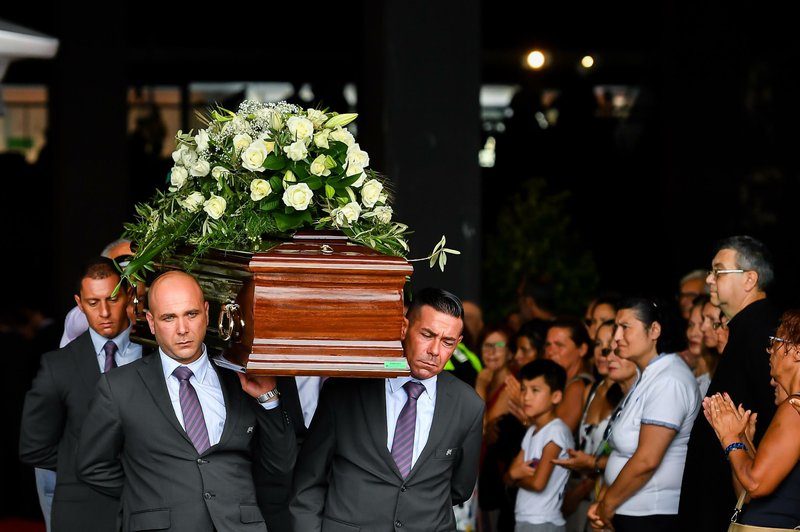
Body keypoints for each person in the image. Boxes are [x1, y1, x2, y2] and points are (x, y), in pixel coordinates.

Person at [77, 271, 297, 532]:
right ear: (151, 321)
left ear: (206, 312)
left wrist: (268, 399)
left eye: (190, 314)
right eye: (169, 317)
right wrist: (146, 494)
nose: (182, 329)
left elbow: (280, 466)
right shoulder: (118, 387)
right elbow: (92, 466)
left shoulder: (239, 380)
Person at [290, 287, 484, 531]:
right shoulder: (344, 392)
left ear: (458, 343)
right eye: (427, 334)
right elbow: (308, 482)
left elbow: (460, 488)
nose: (435, 351)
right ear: (404, 328)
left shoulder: (468, 405)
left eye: (447, 342)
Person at [19, 257, 143, 532]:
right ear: (79, 303)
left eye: (112, 299)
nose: (104, 312)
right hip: (81, 511)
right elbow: (33, 447)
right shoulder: (58, 366)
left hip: (148, 507)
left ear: (129, 295)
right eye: (93, 302)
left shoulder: (157, 355)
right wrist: (91, 464)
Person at [678, 235, 782, 530]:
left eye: (718, 271)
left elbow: (776, 416)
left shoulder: (765, 334)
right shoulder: (743, 330)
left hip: (738, 503)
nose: (710, 280)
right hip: (720, 498)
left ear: (750, 279)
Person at [588, 297, 700, 531]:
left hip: (653, 516)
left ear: (654, 330)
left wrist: (607, 505)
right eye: (616, 327)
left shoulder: (669, 380)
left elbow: (647, 460)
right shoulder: (648, 376)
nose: (617, 337)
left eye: (625, 327)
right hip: (633, 512)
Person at [703, 309, 800, 528]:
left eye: (775, 341)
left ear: (797, 352)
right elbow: (748, 495)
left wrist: (730, 438)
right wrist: (742, 441)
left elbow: (756, 484)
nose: (769, 350)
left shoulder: (794, 407)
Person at [559, 320, 623, 532]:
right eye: (598, 343)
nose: (603, 351)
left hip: (607, 492)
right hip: (577, 492)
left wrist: (580, 491)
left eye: (610, 344)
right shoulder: (590, 390)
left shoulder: (627, 396)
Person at [504, 359, 574, 532]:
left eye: (535, 390)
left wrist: (515, 477)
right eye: (523, 389)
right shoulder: (533, 431)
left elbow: (537, 483)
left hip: (543, 522)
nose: (526, 397)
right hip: (527, 519)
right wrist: (513, 476)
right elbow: (508, 477)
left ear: (556, 396)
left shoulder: (556, 432)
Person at [543, 317, 594, 433]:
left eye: (559, 345)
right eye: (548, 345)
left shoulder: (577, 387)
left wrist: (525, 416)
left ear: (582, 349)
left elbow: (557, 435)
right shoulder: (564, 382)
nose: (550, 352)